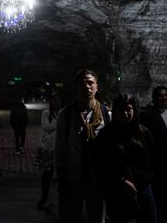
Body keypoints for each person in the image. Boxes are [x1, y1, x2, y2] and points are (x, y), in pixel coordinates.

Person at [55, 69, 110, 223]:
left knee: (97, 217)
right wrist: (61, 178)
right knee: (71, 217)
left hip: (97, 178)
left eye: (90, 83)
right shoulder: (66, 115)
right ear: (76, 87)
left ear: (96, 86)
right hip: (73, 178)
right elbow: (60, 149)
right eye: (83, 84)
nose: (87, 87)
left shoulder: (105, 114)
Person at [106, 93, 157, 223]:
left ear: (134, 110)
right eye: (121, 109)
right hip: (119, 191)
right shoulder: (108, 134)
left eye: (128, 109)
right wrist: (122, 180)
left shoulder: (144, 132)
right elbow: (103, 162)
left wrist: (146, 179)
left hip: (144, 188)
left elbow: (153, 158)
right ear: (115, 110)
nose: (125, 113)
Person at [140, 86, 167, 223]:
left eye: (165, 95)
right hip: (158, 162)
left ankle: (166, 216)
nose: (163, 98)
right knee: (158, 193)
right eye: (160, 95)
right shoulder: (147, 115)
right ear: (154, 98)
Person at [35, 92, 63, 209]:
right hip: (48, 149)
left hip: (59, 149)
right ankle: (44, 197)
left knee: (60, 175)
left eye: (59, 100)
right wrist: (59, 123)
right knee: (47, 175)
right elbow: (46, 127)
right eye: (54, 100)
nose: (57, 102)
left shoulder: (62, 113)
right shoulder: (46, 113)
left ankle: (58, 199)